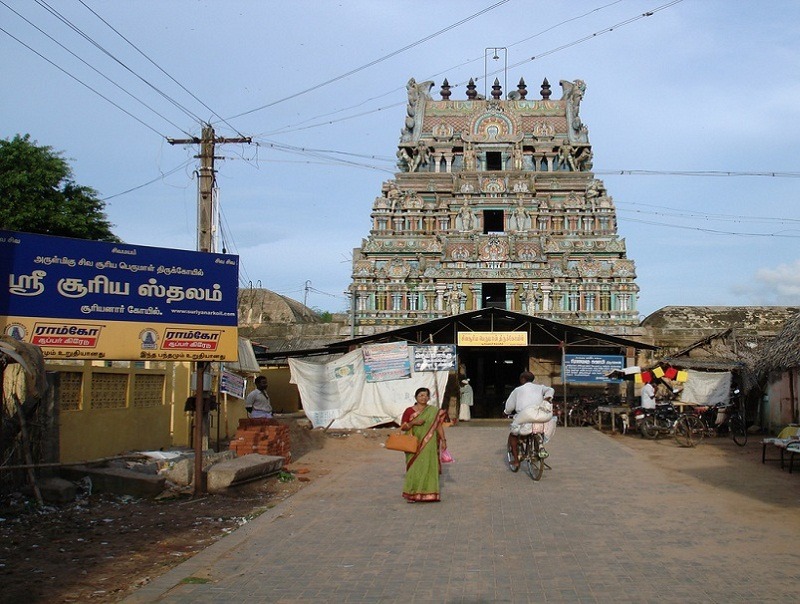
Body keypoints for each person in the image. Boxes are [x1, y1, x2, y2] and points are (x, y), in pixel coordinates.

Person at [400, 387, 447, 503]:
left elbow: (438, 426)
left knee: (429, 467)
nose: (424, 398)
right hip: (413, 444)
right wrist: (413, 422)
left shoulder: (433, 411)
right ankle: (412, 494)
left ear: (429, 398)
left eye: (426, 395)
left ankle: (429, 494)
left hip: (429, 444)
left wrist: (444, 440)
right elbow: (403, 427)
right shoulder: (409, 411)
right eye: (421, 395)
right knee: (414, 468)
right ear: (416, 397)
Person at [504, 371, 554, 470]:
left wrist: (506, 412)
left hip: (525, 417)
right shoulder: (540, 387)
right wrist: (547, 399)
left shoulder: (517, 390)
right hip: (539, 417)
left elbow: (510, 406)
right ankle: (538, 446)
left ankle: (516, 461)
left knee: (513, 434)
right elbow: (550, 389)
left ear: (522, 379)